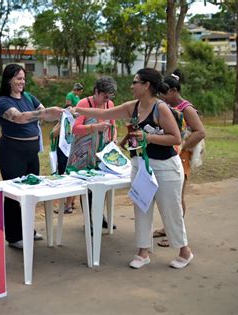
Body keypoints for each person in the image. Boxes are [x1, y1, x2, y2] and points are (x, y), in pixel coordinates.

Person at [69, 68, 194, 269]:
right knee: (141, 207)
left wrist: (147, 137)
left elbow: (176, 138)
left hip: (165, 168)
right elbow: (104, 113)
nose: (131, 86)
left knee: (170, 211)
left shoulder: (160, 108)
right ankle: (143, 252)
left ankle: (184, 251)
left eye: (135, 82)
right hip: (140, 166)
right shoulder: (132, 106)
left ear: (146, 85)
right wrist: (77, 110)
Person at [0, 64, 64, 250]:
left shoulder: (28, 97)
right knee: (14, 194)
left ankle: (28, 230)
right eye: (18, 78)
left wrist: (61, 113)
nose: (21, 82)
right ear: (9, 80)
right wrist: (44, 112)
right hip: (11, 153)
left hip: (31, 153)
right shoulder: (3, 102)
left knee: (31, 191)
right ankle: (14, 236)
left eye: (23, 78)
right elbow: (20, 118)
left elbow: (44, 114)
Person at [153, 69, 206, 247]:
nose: (163, 97)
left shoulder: (187, 109)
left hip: (181, 157)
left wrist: (183, 146)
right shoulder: (168, 107)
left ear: (174, 91)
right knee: (166, 195)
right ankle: (167, 227)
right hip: (169, 154)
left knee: (176, 197)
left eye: (165, 93)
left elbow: (200, 132)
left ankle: (174, 234)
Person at [68, 77, 117, 230]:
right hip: (83, 152)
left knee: (102, 184)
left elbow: (113, 126)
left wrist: (113, 139)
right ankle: (89, 220)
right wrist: (96, 127)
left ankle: (99, 216)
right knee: (87, 187)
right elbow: (75, 129)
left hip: (101, 151)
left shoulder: (110, 105)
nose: (106, 100)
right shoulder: (84, 104)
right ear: (96, 92)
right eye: (104, 96)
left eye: (109, 97)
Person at [51, 83, 84, 213]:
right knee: (68, 175)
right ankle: (69, 203)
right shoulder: (63, 124)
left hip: (71, 153)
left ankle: (68, 205)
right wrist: (62, 121)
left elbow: (53, 134)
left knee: (70, 176)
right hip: (66, 153)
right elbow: (52, 134)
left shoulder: (75, 124)